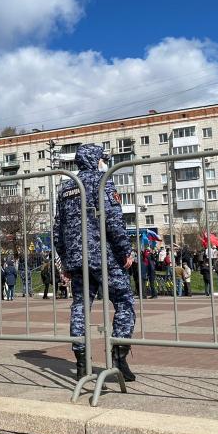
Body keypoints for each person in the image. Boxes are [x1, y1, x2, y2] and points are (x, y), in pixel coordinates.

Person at [54, 144, 135, 382]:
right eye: (102, 158)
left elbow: (58, 229)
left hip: (78, 259)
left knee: (80, 306)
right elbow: (113, 221)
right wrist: (125, 251)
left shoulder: (66, 187)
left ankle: (81, 363)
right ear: (96, 160)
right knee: (124, 302)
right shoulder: (103, 181)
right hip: (105, 257)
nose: (104, 162)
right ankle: (119, 358)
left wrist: (67, 261)